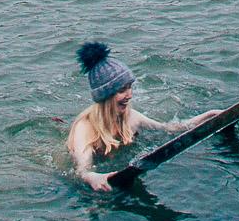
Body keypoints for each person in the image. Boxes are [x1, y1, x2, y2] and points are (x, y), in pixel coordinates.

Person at [68, 42, 220, 192]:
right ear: (105, 97)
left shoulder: (131, 116)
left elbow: (169, 129)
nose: (129, 95)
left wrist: (208, 115)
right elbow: (81, 170)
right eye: (122, 90)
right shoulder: (85, 128)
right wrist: (92, 177)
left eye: (130, 87)